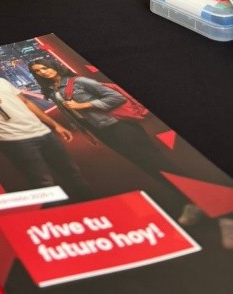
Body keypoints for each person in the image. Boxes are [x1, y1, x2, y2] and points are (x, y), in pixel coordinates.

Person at [28, 60, 199, 219]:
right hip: (103, 130)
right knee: (146, 164)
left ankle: (194, 199)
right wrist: (85, 132)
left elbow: (117, 97)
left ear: (54, 66)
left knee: (156, 162)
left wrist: (83, 105)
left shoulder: (79, 82)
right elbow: (72, 114)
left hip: (119, 127)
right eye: (38, 71)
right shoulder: (53, 90)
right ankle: (188, 198)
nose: (43, 72)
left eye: (45, 67)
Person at [0, 55, 91, 198]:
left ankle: (88, 200)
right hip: (11, 138)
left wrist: (54, 125)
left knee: (72, 171)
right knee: (42, 181)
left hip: (42, 131)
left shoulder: (0, 81)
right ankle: (53, 213)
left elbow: (26, 102)